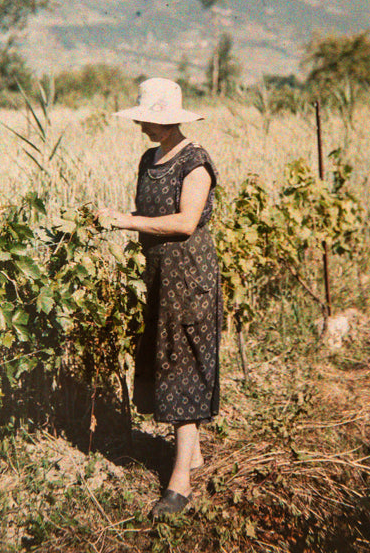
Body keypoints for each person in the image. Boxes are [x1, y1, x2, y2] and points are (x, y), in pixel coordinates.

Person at [100, 77, 221, 518]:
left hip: (188, 278)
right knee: (164, 358)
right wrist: (115, 219)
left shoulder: (196, 163)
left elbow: (186, 223)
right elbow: (150, 215)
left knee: (183, 363)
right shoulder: (149, 158)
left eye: (148, 119)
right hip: (156, 275)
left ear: (169, 121)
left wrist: (126, 224)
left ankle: (180, 483)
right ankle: (193, 454)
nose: (141, 125)